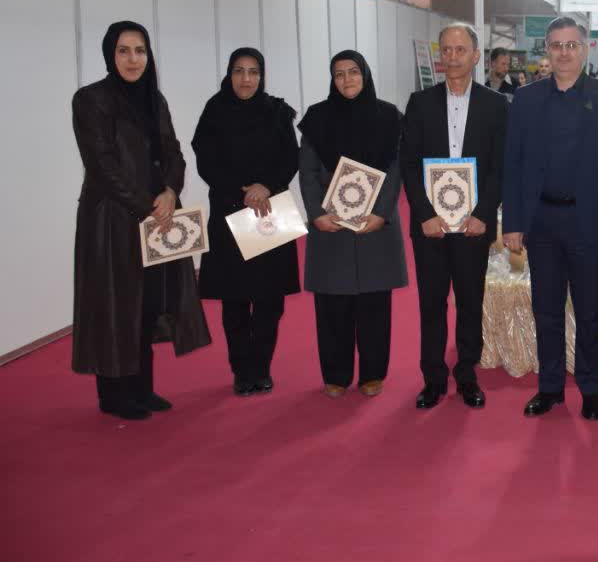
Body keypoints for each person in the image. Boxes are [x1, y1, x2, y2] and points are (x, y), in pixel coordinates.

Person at [71, 21, 211, 420]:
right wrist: (148, 206)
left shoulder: (154, 98)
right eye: (123, 51)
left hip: (157, 217)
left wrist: (169, 191)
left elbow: (173, 152)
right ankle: (114, 395)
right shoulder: (90, 100)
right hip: (111, 221)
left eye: (140, 50)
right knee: (116, 305)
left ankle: (142, 388)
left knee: (149, 302)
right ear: (109, 55)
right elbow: (102, 166)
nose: (133, 59)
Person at [502, 17, 598, 421]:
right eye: (556, 45)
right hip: (541, 220)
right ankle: (550, 387)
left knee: (590, 312)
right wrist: (512, 223)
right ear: (546, 50)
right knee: (546, 310)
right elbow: (513, 164)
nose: (563, 52)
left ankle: (591, 389)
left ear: (585, 50)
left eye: (571, 45)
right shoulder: (526, 99)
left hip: (590, 222)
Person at [401, 23, 508, 411]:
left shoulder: (496, 105)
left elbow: (500, 167)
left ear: (476, 56)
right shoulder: (419, 102)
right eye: (445, 50)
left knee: (469, 302)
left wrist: (483, 215)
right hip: (430, 227)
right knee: (431, 304)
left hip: (472, 226)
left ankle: (466, 375)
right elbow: (408, 164)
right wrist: (424, 214)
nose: (452, 57)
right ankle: (432, 379)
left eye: (460, 50)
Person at [298, 50, 407, 399]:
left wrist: (382, 213)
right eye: (339, 73)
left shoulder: (389, 117)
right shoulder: (317, 118)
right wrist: (316, 213)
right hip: (331, 225)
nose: (347, 79)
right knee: (333, 305)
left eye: (353, 72)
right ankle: (336, 375)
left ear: (366, 75)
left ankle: (373, 374)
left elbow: (396, 169)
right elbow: (307, 171)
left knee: (375, 304)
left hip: (374, 225)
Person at [192, 47, 301, 397]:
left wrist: (265, 186)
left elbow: (291, 157)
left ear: (261, 76)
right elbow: (205, 160)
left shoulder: (277, 112)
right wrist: (241, 191)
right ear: (229, 74)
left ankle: (261, 367)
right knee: (235, 298)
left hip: (269, 211)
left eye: (253, 72)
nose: (246, 78)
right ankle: (241, 370)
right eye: (239, 71)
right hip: (229, 212)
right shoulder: (215, 110)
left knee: (270, 299)